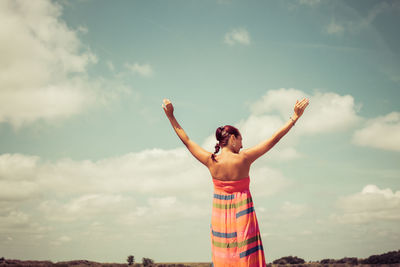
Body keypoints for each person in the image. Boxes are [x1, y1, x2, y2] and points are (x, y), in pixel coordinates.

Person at [162, 97, 309, 267]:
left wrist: (171, 116)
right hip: (243, 214)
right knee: (246, 256)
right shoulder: (244, 158)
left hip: (219, 217)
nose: (242, 143)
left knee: (223, 255)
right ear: (232, 138)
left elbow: (186, 141)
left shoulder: (211, 161)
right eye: (240, 139)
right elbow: (274, 139)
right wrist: (295, 117)